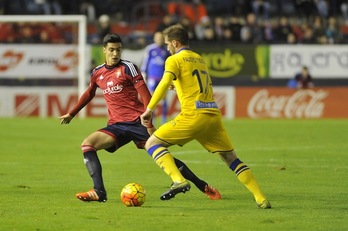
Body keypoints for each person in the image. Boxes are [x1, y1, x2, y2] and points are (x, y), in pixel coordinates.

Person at [59, 33, 221, 202]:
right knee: (87, 145)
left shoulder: (129, 68)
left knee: (164, 157)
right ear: (104, 50)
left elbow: (146, 96)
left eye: (118, 50)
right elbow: (89, 93)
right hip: (116, 125)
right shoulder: (97, 72)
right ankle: (99, 191)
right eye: (112, 50)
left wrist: (149, 123)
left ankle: (202, 185)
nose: (115, 54)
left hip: (138, 122)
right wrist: (72, 113)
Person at [140, 25, 271, 209]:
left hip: (193, 116)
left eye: (169, 43)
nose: (167, 47)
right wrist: (177, 85)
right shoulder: (199, 59)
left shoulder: (173, 59)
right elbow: (196, 84)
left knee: (152, 144)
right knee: (231, 159)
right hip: (212, 115)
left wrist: (150, 109)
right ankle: (260, 198)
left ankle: (178, 180)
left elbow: (163, 83)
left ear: (175, 43)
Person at [141, 31, 170, 124]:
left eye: (161, 38)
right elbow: (145, 61)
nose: (159, 40)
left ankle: (164, 119)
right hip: (152, 77)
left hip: (162, 78)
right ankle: (151, 118)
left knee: (164, 98)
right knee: (152, 98)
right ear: (154, 38)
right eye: (158, 38)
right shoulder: (150, 49)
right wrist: (143, 73)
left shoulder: (166, 50)